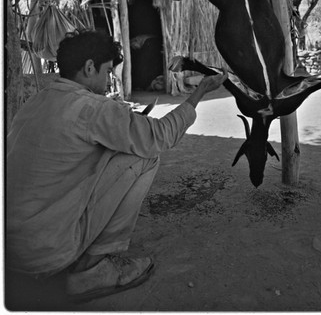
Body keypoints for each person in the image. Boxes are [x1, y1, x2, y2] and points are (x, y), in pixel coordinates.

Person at [6, 29, 227, 301]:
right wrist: (199, 92)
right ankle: (93, 270)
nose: (109, 79)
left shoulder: (36, 102)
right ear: (89, 68)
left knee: (109, 152)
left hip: (12, 249)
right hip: (46, 252)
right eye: (107, 70)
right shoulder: (90, 107)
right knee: (144, 156)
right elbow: (159, 136)